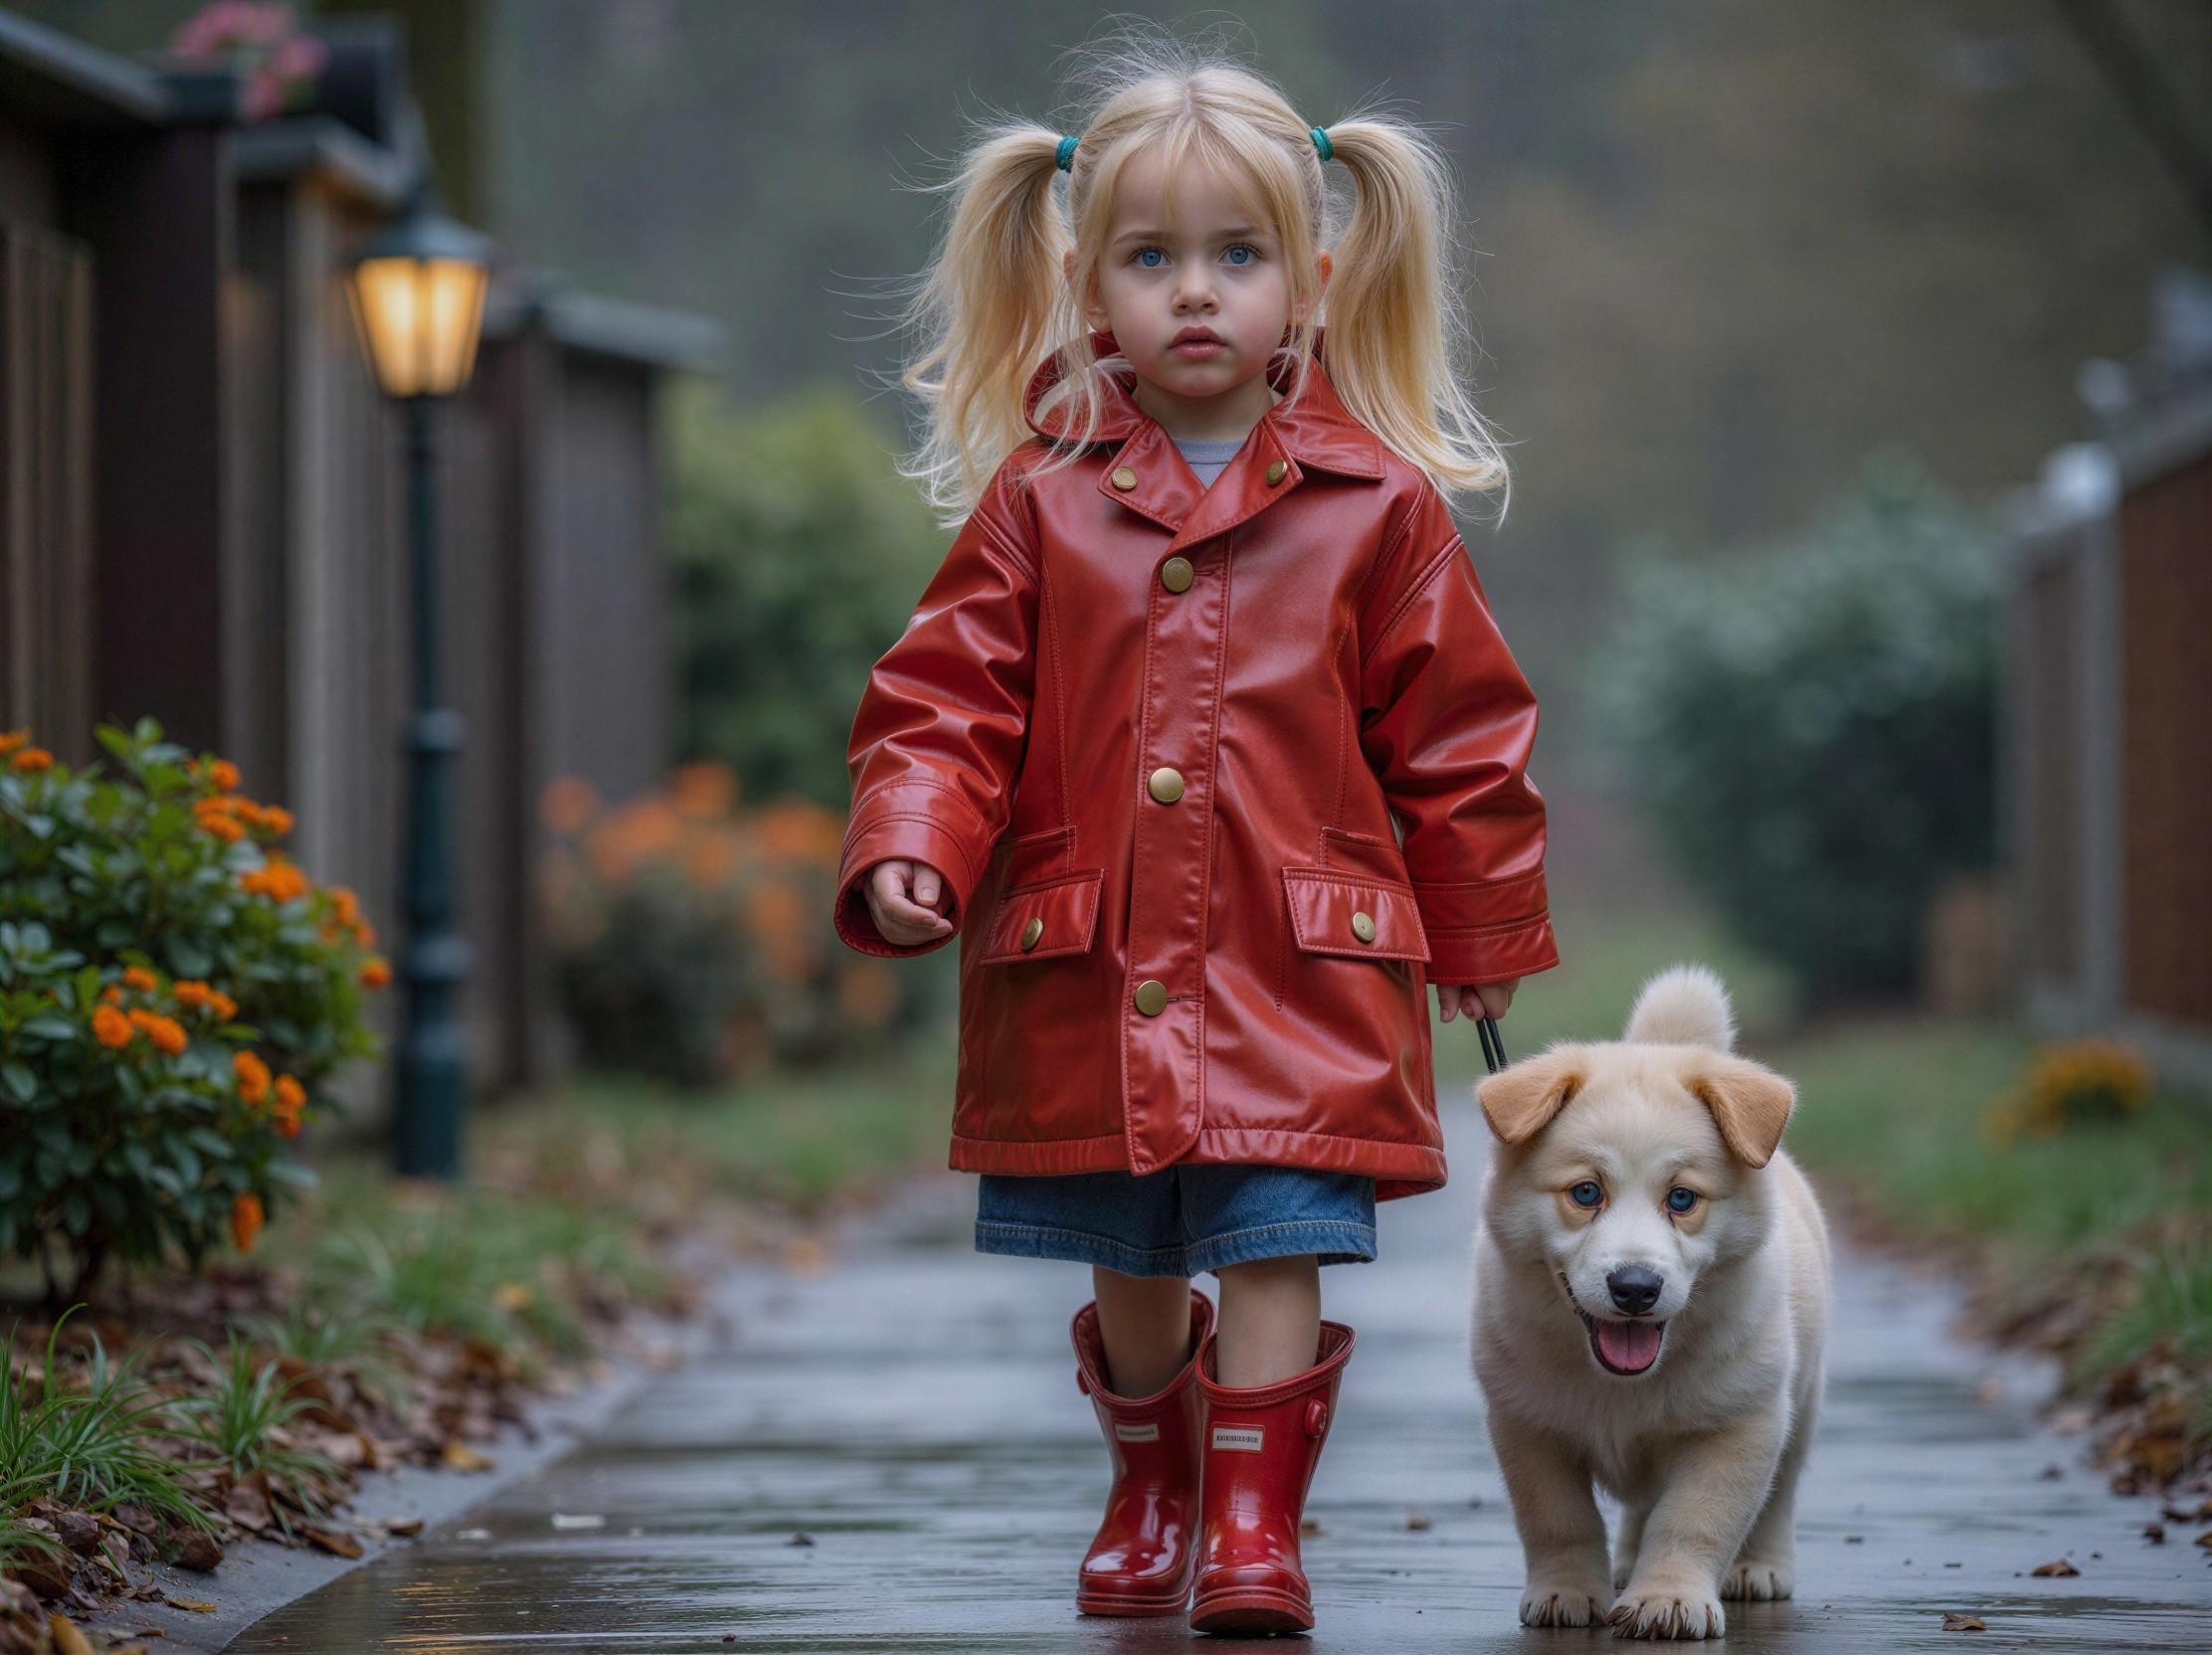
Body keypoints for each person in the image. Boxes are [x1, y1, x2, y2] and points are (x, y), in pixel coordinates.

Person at [831, 37, 1557, 1636]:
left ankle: (1251, 1528)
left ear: (1309, 277)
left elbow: (1459, 741)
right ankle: (1152, 1487)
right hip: (1090, 970)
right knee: (1136, 1254)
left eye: (1238, 256)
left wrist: (1486, 944)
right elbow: (946, 702)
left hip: (1303, 970)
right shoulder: (1043, 498)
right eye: (1154, 259)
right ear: (1089, 282)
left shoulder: (1380, 507)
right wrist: (915, 846)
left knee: (1279, 1238)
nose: (1198, 295)